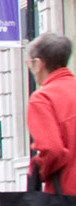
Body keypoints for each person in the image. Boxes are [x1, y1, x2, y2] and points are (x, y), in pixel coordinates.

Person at [26, 32, 76, 194]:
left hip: (67, 197)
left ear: (38, 64)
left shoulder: (43, 98)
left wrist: (39, 170)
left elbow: (52, 150)